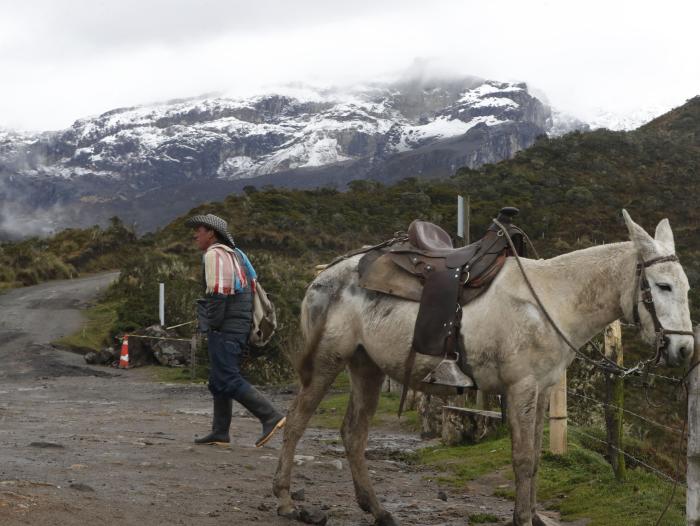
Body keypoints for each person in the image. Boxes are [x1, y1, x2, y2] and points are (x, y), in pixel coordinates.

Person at [185, 213, 286, 447]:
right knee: (217, 378)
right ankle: (220, 432)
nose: (195, 235)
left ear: (211, 233)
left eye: (199, 230)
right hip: (240, 324)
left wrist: (213, 325)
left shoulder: (214, 255)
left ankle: (270, 416)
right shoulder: (237, 255)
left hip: (226, 326)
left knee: (228, 377)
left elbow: (218, 293)